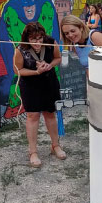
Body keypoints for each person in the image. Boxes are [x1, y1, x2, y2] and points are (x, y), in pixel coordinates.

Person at [14, 23, 66, 168]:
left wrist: (50, 65)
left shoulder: (50, 42)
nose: (37, 42)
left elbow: (58, 58)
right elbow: (18, 70)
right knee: (33, 116)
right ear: (27, 38)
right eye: (33, 39)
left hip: (49, 82)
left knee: (50, 114)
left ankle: (55, 145)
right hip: (30, 85)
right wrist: (36, 72)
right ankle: (33, 152)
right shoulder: (20, 49)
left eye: (40, 38)